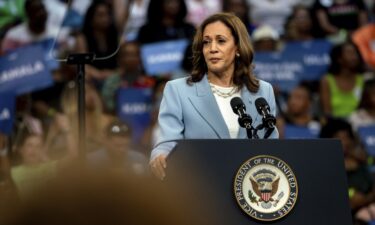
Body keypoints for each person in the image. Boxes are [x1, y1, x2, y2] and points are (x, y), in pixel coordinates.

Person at [149, 13, 279, 180]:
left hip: (249, 188)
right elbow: (167, 140)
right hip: (200, 185)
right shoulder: (178, 90)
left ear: (238, 48)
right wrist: (160, 155)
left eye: (221, 41)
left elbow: (272, 145)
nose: (212, 49)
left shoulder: (262, 91)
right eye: (206, 42)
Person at [320, 41, 366, 118]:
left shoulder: (363, 80)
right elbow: (327, 112)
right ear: (339, 59)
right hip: (337, 125)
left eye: (355, 53)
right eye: (349, 53)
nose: (355, 57)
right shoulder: (327, 81)